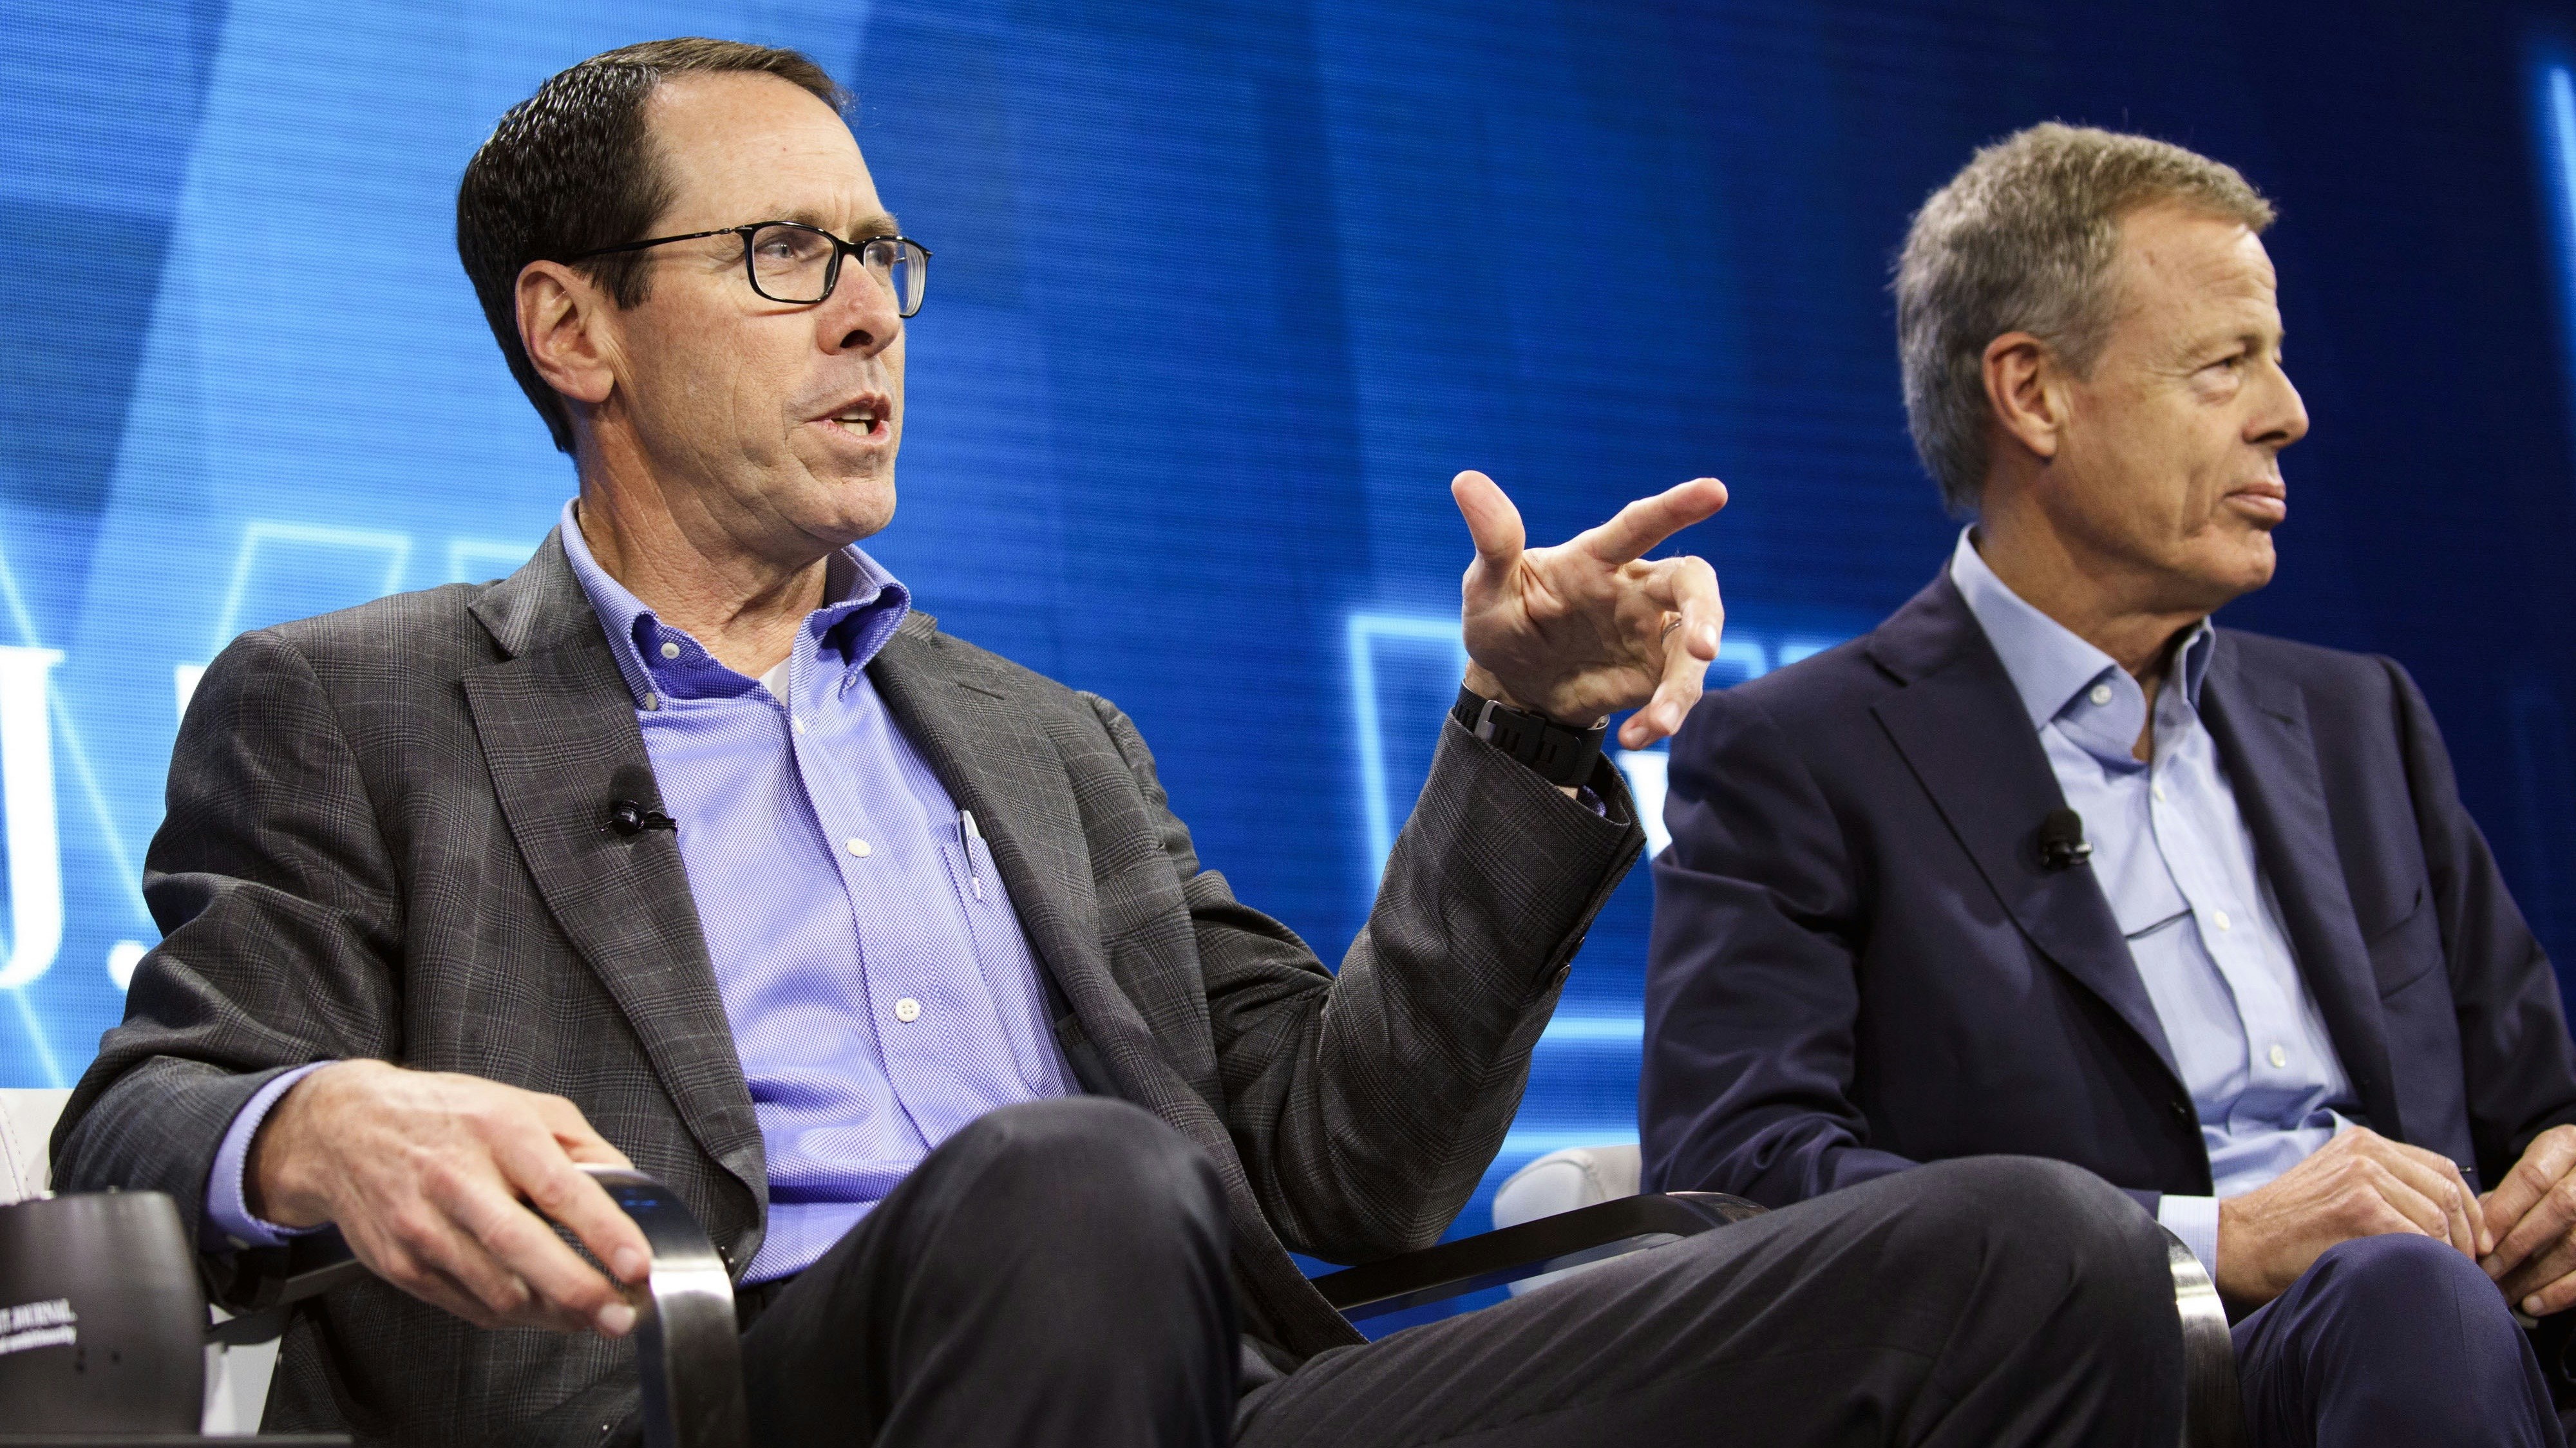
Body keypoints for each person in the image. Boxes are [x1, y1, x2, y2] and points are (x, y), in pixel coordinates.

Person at [51, 42, 2177, 1448]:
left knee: (2040, 1255)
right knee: (1070, 1189)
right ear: (573, 327)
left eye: (883, 255)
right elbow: (145, 1115)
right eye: (790, 256)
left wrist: (1527, 743)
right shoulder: (357, 705)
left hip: (1191, 1387)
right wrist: (313, 1120)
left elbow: (1344, 1168)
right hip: (723, 1400)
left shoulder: (1037, 739)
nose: (875, 311)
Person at [1642, 121, 2576, 1446]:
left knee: (2419, 1303)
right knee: (2399, 1296)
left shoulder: (2356, 719)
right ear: (2032, 395)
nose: (2287, 412)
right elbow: (1733, 1178)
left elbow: (2535, 1101)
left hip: (2462, 1367)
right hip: (2107, 1391)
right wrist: (2206, 1244)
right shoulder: (1799, 756)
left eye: (2278, 357)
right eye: (2222, 364)